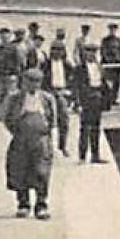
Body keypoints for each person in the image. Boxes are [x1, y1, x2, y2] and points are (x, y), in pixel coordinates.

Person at [0, 67, 60, 220]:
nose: (34, 85)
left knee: (42, 172)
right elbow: (6, 118)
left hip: (41, 140)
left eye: (37, 81)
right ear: (24, 82)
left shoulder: (47, 99)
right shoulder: (15, 98)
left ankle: (41, 205)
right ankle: (23, 204)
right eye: (30, 81)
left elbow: (54, 120)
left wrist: (53, 139)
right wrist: (18, 132)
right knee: (21, 170)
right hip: (21, 140)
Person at [73, 42, 111, 163]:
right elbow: (76, 86)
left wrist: (106, 101)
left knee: (96, 128)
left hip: (97, 98)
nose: (92, 54)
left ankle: (95, 155)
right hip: (86, 99)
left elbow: (104, 84)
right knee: (84, 128)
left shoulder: (100, 67)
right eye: (89, 52)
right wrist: (77, 102)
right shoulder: (80, 68)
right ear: (85, 53)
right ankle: (82, 156)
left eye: (94, 52)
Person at [42, 29, 76, 157]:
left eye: (60, 50)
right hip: (49, 93)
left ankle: (63, 146)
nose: (57, 52)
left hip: (62, 93)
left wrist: (70, 94)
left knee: (64, 121)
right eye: (54, 49)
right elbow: (41, 82)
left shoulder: (67, 66)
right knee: (49, 122)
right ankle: (48, 147)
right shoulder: (45, 65)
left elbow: (73, 81)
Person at [99, 24, 120, 106]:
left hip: (117, 65)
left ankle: (114, 98)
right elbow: (103, 51)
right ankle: (108, 99)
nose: (113, 31)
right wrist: (108, 61)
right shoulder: (105, 40)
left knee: (117, 83)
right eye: (111, 30)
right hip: (108, 64)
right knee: (107, 83)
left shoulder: (118, 40)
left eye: (114, 30)